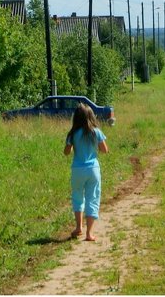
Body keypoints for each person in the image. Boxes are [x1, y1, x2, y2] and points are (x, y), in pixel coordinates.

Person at [64, 102, 109, 242]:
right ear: (90, 116)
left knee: (78, 197)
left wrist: (71, 147)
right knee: (93, 198)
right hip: (93, 169)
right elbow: (104, 150)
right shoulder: (96, 131)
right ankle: (89, 233)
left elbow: (66, 152)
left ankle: (78, 227)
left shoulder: (72, 134)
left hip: (77, 169)